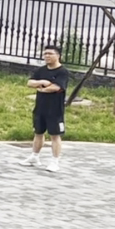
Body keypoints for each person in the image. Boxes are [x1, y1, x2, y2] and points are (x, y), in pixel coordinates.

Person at [24, 44, 71, 172]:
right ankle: (34, 156)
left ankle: (55, 161)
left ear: (58, 55)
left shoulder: (62, 72)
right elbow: (30, 82)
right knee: (38, 133)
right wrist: (42, 82)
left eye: (50, 53)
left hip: (55, 110)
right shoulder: (41, 70)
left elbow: (57, 87)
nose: (47, 56)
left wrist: (42, 89)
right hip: (40, 107)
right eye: (45, 54)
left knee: (55, 135)